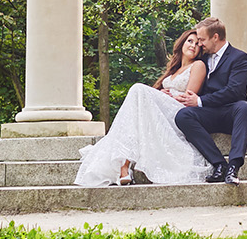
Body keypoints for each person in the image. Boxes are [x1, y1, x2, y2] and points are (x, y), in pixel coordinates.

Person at [74, 29, 212, 187]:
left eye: (197, 44)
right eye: (190, 41)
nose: (193, 45)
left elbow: (189, 98)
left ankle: (124, 167)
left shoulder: (198, 65)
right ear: (182, 43)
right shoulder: (173, 69)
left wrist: (166, 97)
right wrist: (161, 94)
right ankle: (124, 167)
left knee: (138, 90)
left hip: (180, 113)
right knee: (136, 113)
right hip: (164, 110)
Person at [169, 17, 247, 184]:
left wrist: (200, 101)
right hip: (210, 114)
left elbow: (234, 91)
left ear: (215, 37)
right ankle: (220, 164)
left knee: (244, 107)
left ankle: (233, 167)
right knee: (183, 116)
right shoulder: (203, 60)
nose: (199, 44)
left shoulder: (240, 58)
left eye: (202, 39)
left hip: (232, 113)